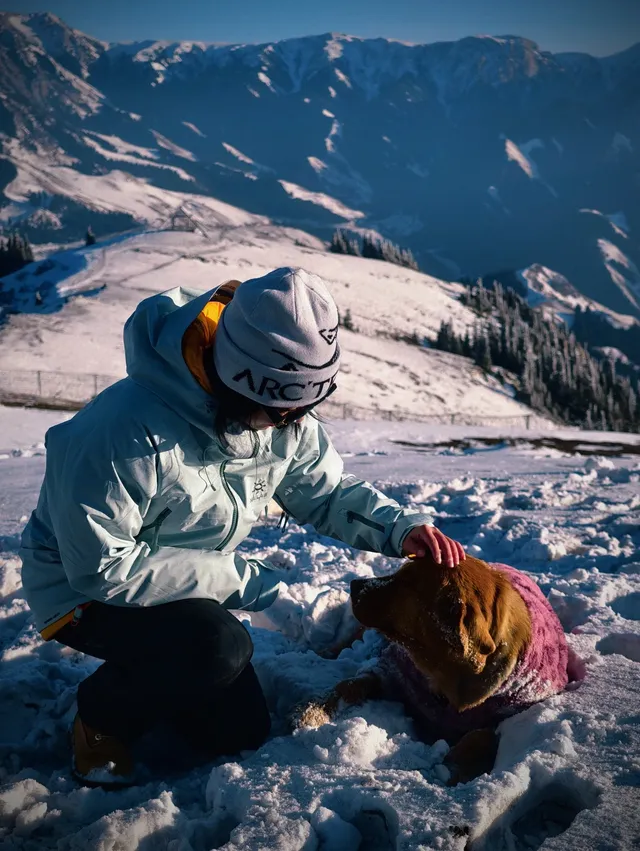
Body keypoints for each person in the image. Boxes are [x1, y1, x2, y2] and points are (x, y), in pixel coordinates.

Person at [19, 267, 465, 788]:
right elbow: (102, 568)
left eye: (305, 406)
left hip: (181, 585)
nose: (293, 422)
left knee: (237, 734)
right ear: (238, 380)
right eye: (280, 410)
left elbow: (323, 491)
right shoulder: (122, 431)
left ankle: (166, 676)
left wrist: (400, 530)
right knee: (217, 647)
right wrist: (242, 580)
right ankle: (100, 717)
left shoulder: (282, 414)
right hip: (80, 592)